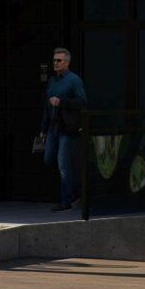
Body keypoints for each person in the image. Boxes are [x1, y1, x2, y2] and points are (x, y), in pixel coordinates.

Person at [39, 46, 87, 212]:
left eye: (59, 60)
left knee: (63, 165)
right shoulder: (52, 81)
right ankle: (75, 191)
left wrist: (62, 102)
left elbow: (82, 102)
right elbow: (47, 106)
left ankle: (67, 201)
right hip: (52, 127)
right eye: (54, 60)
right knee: (48, 158)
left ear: (67, 62)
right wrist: (43, 129)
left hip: (66, 128)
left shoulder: (74, 80)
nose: (55, 63)